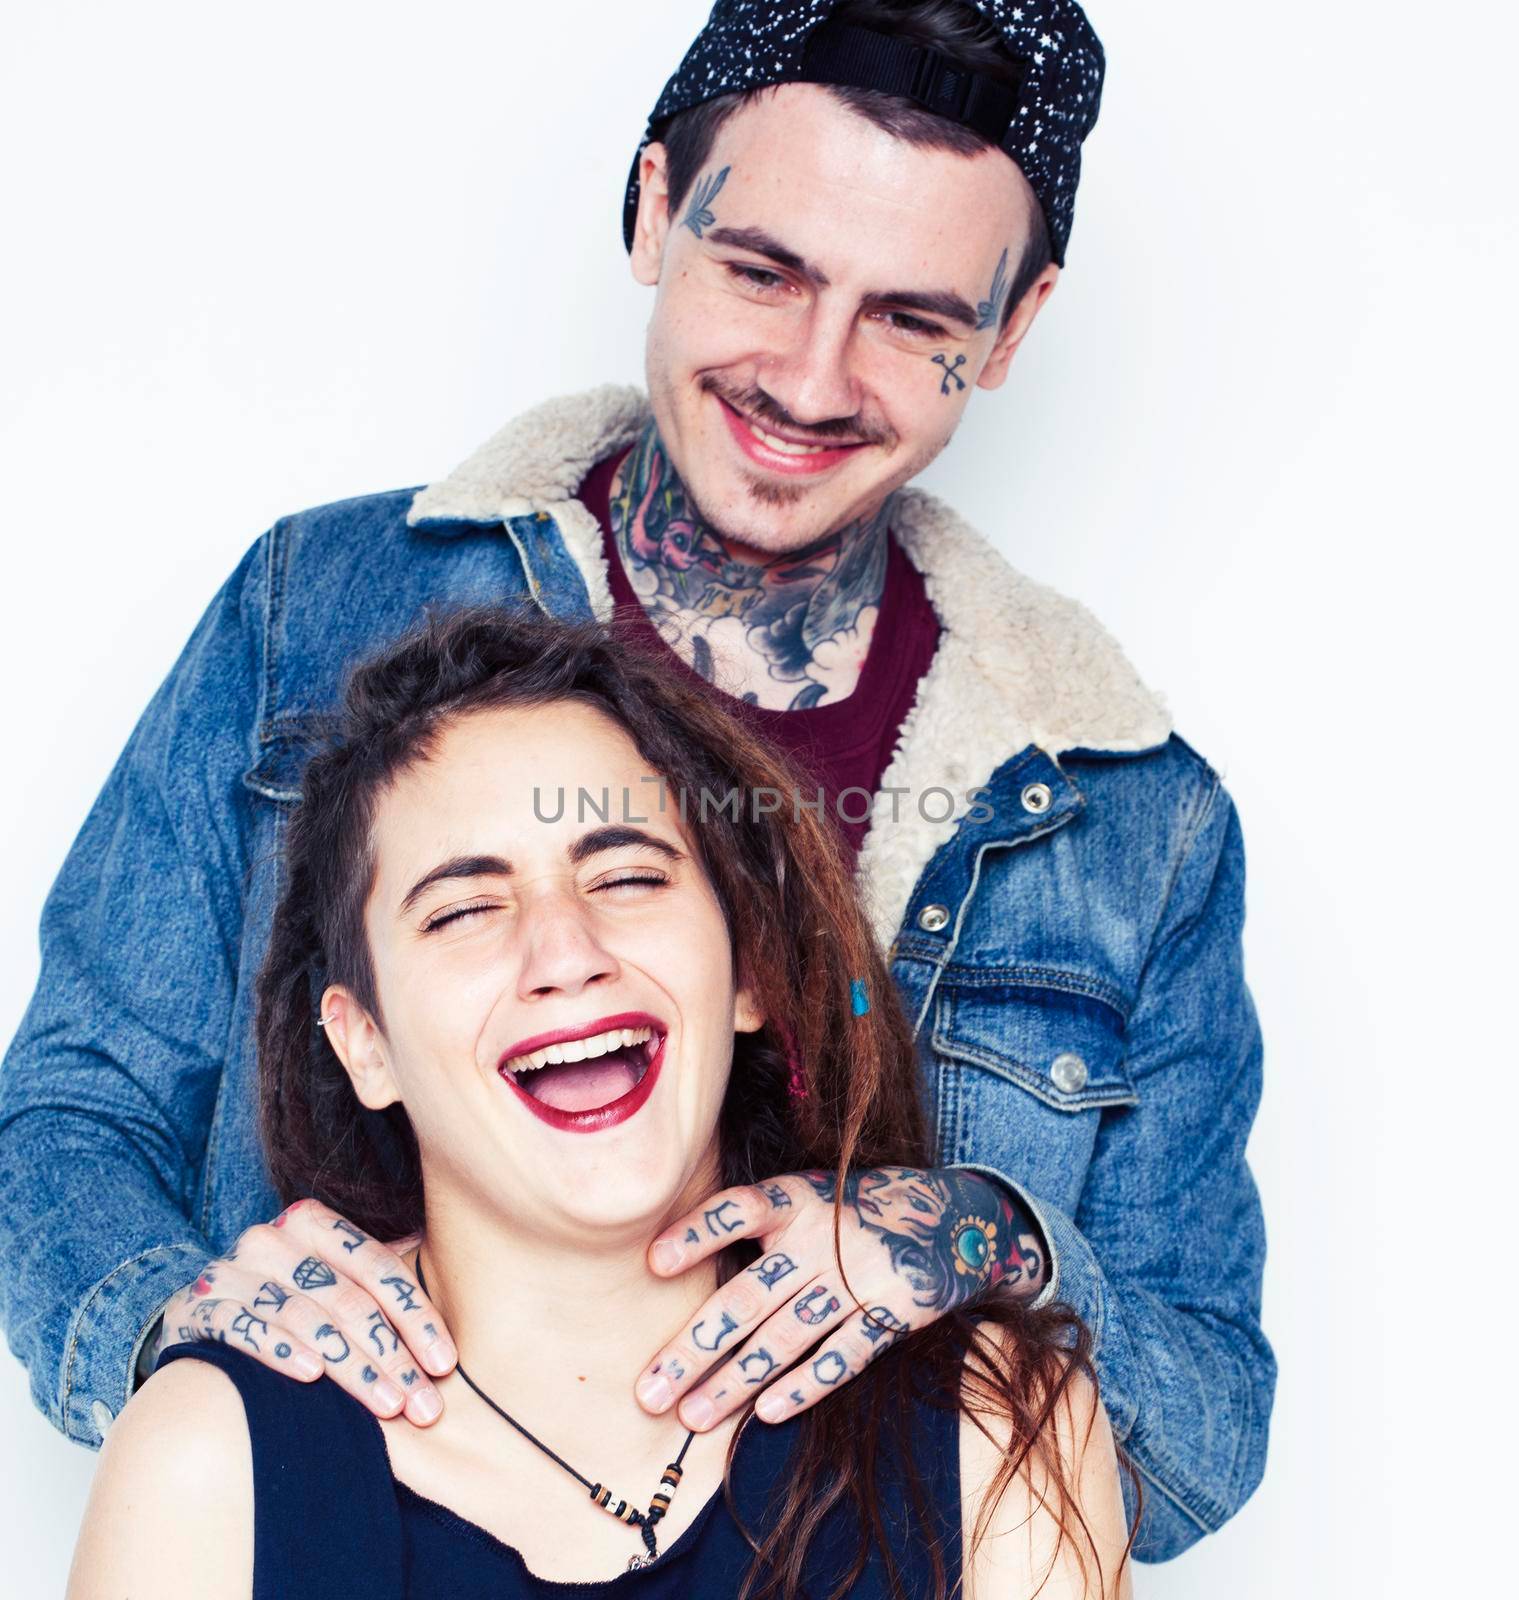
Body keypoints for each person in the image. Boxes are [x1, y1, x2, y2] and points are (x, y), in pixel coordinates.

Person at [0, 0, 1272, 1561]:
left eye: (912, 319)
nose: (810, 379)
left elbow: (1198, 1431)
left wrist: (981, 1236)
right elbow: (74, 1109)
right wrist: (194, 1357)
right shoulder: (310, 615)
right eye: (762, 270)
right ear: (655, 204)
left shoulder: (1123, 814)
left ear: (1008, 332)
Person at [66, 607, 1132, 1598]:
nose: (565, 953)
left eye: (625, 876)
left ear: (749, 969)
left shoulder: (992, 1422)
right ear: (366, 1043)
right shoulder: (206, 1457)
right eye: (465, 908)